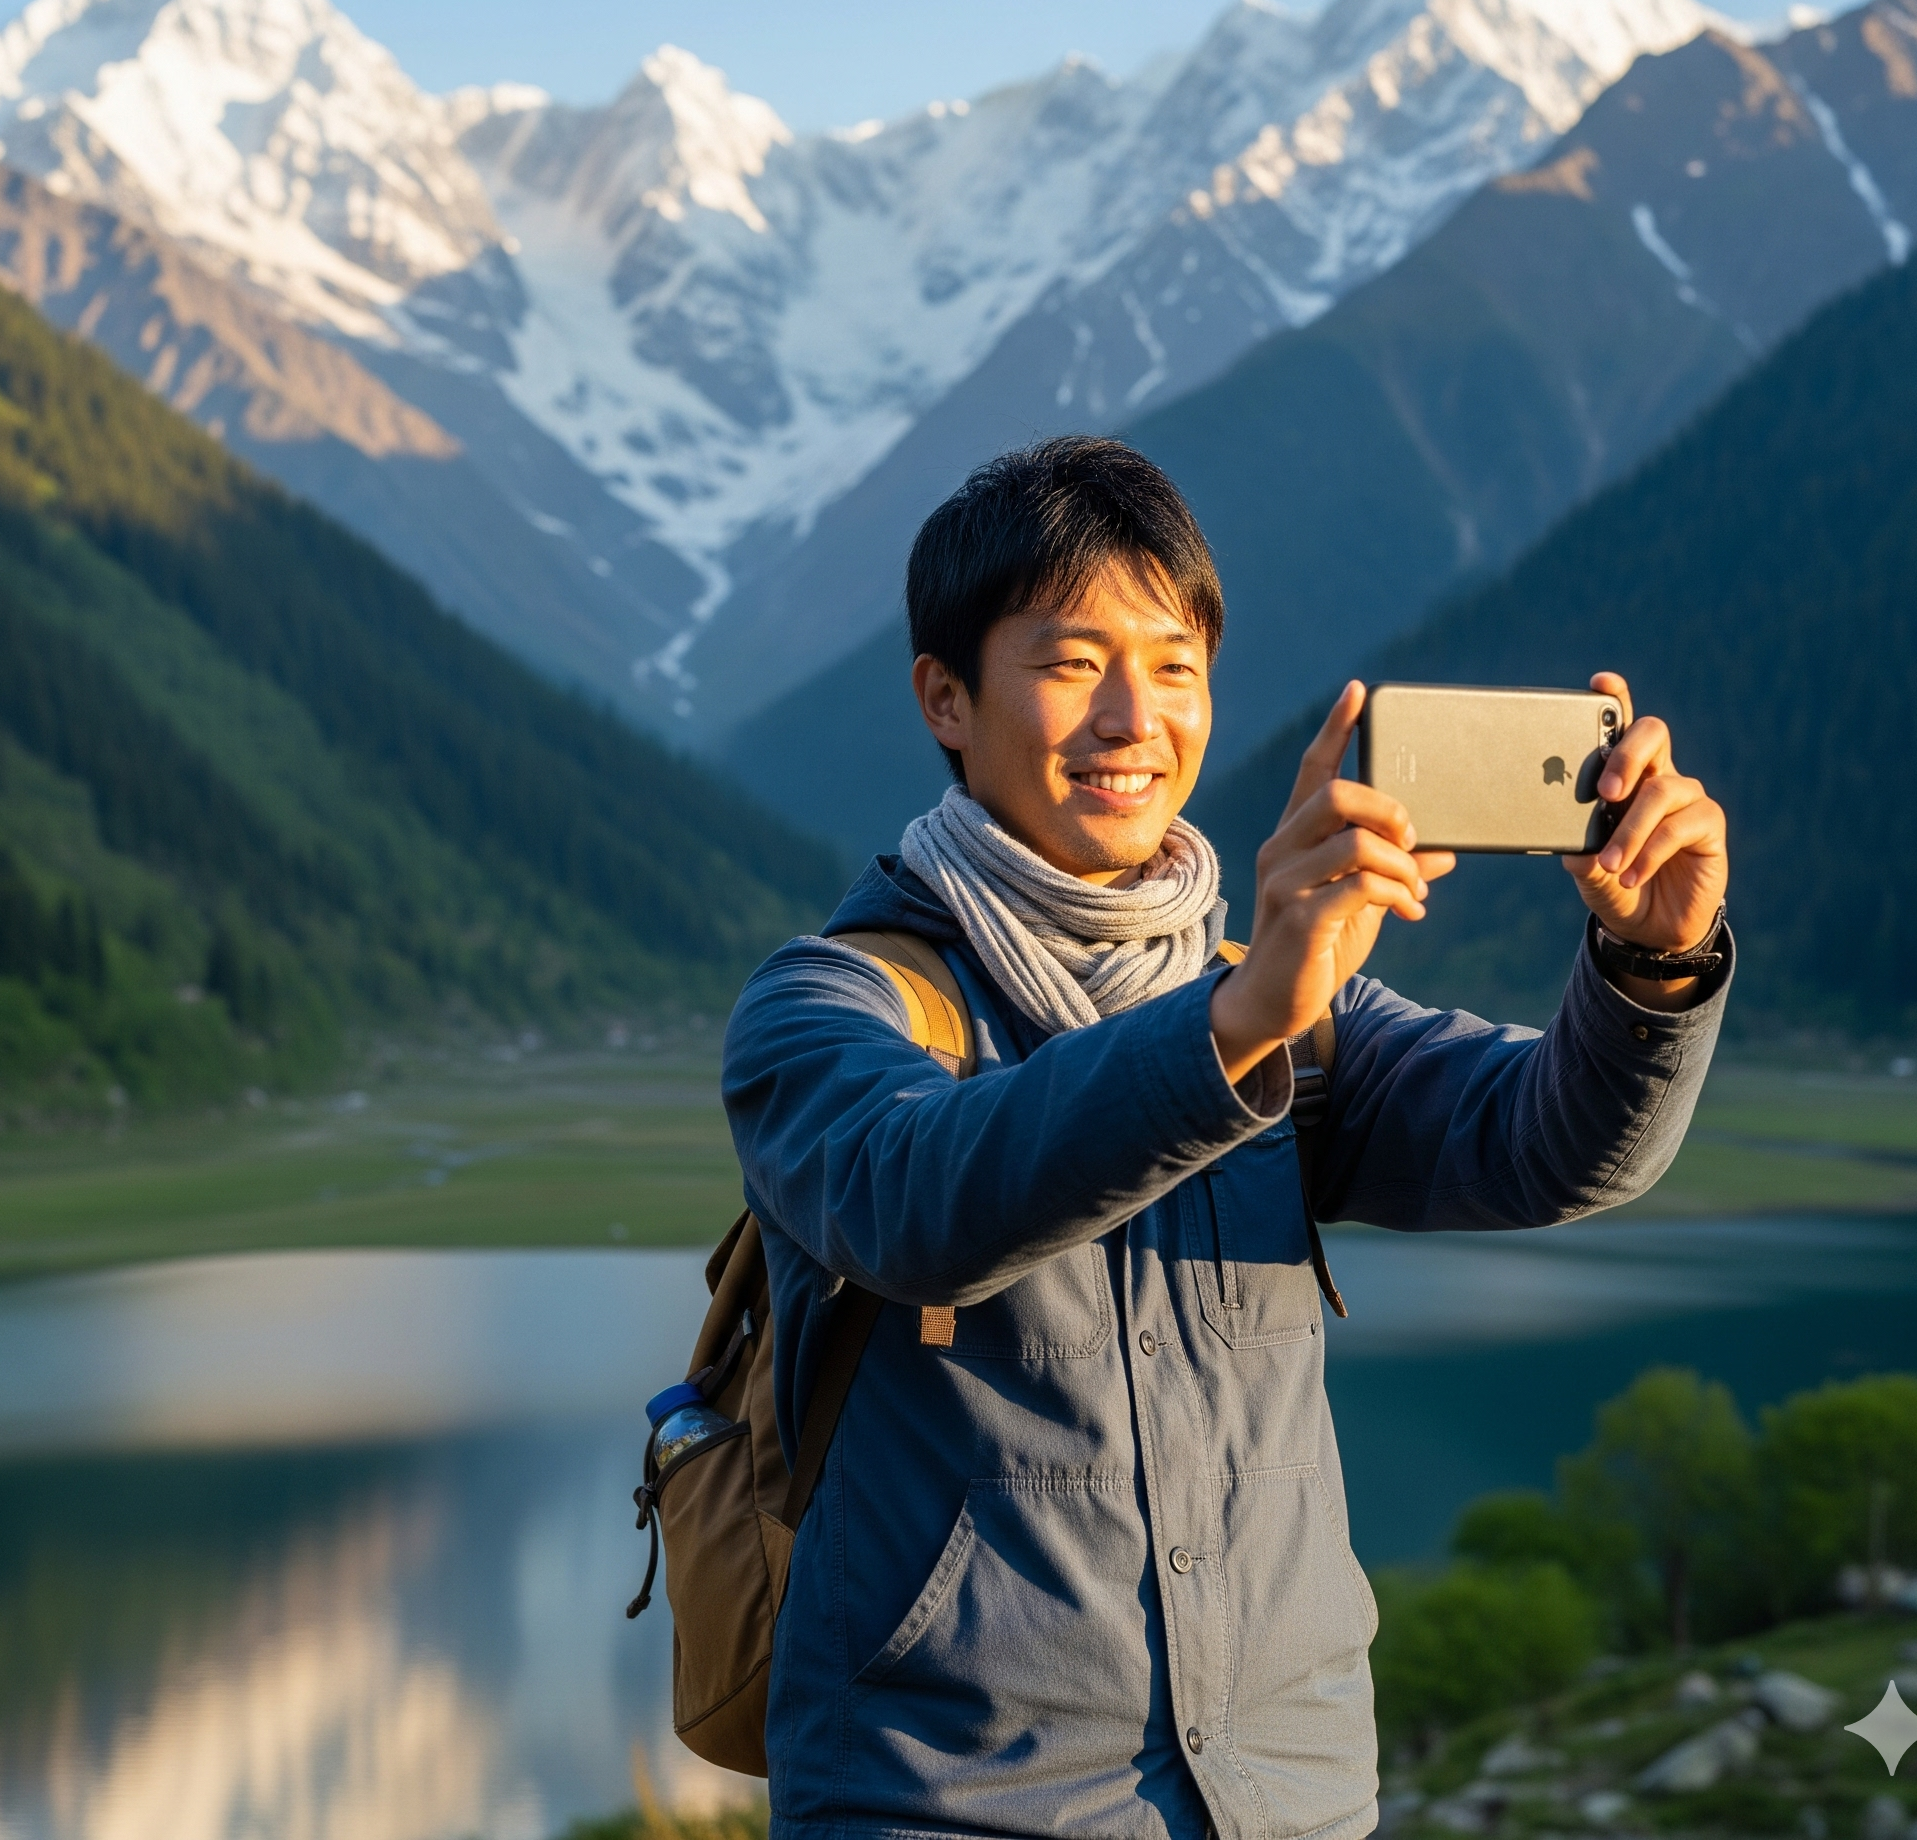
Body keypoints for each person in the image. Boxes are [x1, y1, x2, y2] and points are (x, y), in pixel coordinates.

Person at [722, 436, 1731, 1840]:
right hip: (949, 1806)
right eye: (1073, 663)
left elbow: (1549, 1147)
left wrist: (1651, 971)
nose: (1135, 718)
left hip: (1291, 1797)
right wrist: (1240, 1021)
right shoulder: (834, 1002)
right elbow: (916, 1205)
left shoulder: (1288, 999)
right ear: (944, 697)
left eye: (1176, 666)